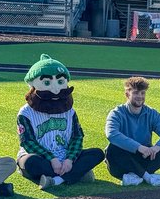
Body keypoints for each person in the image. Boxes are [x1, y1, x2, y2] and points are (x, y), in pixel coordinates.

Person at [17, 54, 104, 190]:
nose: (55, 89)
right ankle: (77, 173)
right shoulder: (25, 113)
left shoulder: (70, 111)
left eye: (60, 82)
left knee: (97, 153)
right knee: (30, 162)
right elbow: (28, 142)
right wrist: (52, 159)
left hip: (65, 156)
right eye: (47, 83)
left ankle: (56, 180)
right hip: (41, 158)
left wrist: (69, 159)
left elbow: (77, 137)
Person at [105, 76, 160, 187]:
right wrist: (138, 147)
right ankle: (148, 177)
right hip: (122, 161)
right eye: (136, 93)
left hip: (144, 157)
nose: (140, 96)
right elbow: (111, 134)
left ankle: (137, 175)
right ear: (127, 94)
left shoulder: (151, 113)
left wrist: (157, 147)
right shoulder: (117, 113)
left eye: (142, 93)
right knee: (113, 148)